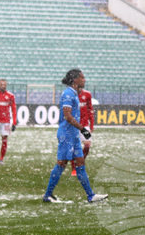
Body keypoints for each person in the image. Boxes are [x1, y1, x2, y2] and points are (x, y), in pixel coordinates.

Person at [42, 69, 108, 203]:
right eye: (82, 78)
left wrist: (79, 130)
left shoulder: (74, 94)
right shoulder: (68, 94)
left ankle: (91, 195)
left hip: (73, 135)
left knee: (80, 162)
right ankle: (47, 195)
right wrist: (82, 128)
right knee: (61, 163)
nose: (84, 80)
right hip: (67, 134)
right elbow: (67, 116)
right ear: (75, 80)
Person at [70, 87, 95, 176]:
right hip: (74, 125)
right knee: (73, 147)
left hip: (84, 125)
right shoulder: (70, 94)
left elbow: (90, 109)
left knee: (87, 145)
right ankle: (74, 168)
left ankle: (79, 163)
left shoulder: (87, 94)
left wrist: (91, 124)